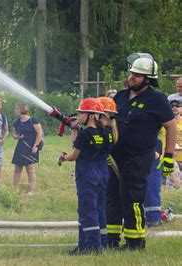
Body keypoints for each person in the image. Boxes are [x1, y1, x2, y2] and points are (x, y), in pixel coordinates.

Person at [107, 56, 177, 250]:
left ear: (148, 79)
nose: (132, 78)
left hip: (138, 156)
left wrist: (168, 156)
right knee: (111, 196)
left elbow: (171, 127)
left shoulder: (157, 99)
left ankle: (135, 242)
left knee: (132, 196)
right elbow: (106, 120)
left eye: (137, 75)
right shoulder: (120, 96)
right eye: (131, 73)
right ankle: (111, 239)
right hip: (114, 156)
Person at [59, 98, 106, 255]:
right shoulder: (101, 132)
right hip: (97, 170)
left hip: (85, 172)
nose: (79, 117)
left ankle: (91, 247)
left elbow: (74, 155)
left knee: (86, 210)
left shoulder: (85, 134)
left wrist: (63, 157)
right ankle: (85, 245)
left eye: (81, 113)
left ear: (91, 116)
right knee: (92, 209)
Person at [96, 97, 118, 248]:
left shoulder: (103, 132)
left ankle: (103, 241)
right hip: (105, 172)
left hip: (101, 173)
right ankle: (105, 239)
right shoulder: (109, 130)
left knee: (101, 206)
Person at [11, 103, 43, 195]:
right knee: (17, 170)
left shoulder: (33, 120)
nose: (15, 110)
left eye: (17, 109)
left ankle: (31, 191)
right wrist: (16, 137)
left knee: (30, 170)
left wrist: (36, 145)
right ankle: (15, 190)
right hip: (20, 147)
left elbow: (39, 133)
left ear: (22, 109)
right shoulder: (17, 122)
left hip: (31, 147)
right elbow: (14, 134)